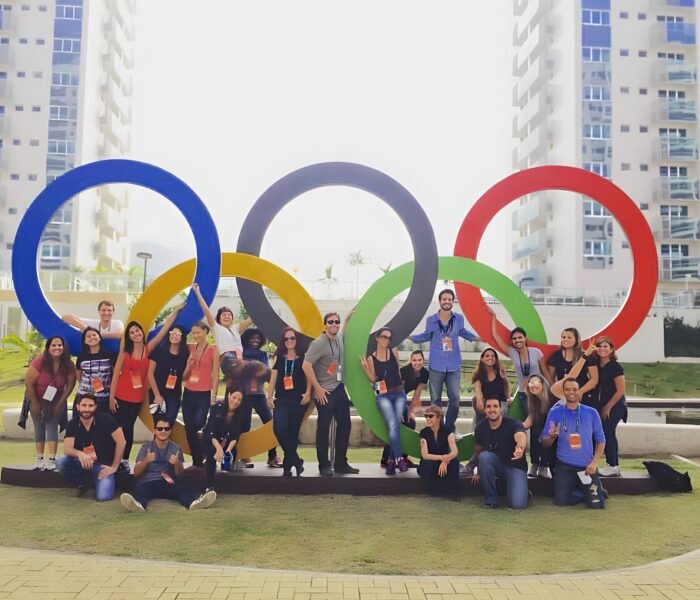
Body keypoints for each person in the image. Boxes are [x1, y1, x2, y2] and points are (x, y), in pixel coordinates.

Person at [109, 306, 183, 473]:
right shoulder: (124, 352)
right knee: (116, 429)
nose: (136, 334)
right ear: (129, 337)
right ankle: (113, 459)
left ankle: (125, 460)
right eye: (132, 333)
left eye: (137, 331)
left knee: (128, 429)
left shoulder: (148, 348)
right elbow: (115, 376)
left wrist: (176, 311)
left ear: (142, 332)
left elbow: (164, 329)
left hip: (135, 399)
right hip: (119, 396)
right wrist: (111, 397)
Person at [411, 289, 478, 435]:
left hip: (453, 365)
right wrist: (411, 337)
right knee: (435, 400)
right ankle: (438, 429)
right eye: (444, 299)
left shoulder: (458, 318)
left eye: (449, 299)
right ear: (439, 301)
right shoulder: (431, 320)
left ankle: (449, 427)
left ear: (452, 301)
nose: (447, 302)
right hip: (436, 365)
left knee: (455, 399)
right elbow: (426, 335)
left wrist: (478, 339)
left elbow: (463, 332)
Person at [119, 416, 217, 512]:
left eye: (166, 429)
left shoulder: (175, 448)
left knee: (182, 490)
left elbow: (179, 474)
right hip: (148, 482)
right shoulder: (146, 447)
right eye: (160, 429)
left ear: (170, 431)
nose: (163, 431)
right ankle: (138, 505)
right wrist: (146, 460)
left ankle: (192, 503)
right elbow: (136, 473)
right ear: (154, 430)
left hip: (167, 483)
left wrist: (177, 463)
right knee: (140, 491)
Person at [302, 312, 359, 476]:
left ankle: (341, 463)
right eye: (330, 322)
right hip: (324, 392)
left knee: (346, 425)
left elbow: (345, 328)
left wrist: (348, 316)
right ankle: (323, 465)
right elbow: (306, 366)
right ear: (325, 324)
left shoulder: (339, 338)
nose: (334, 324)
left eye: (337, 322)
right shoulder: (318, 343)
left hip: (339, 389)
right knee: (323, 428)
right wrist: (317, 388)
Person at [543, 378, 607, 509]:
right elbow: (545, 443)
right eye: (567, 389)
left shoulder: (591, 412)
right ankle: (585, 491)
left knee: (596, 505)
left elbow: (601, 440)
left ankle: (597, 492)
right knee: (561, 501)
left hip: (586, 466)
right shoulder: (555, 412)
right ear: (563, 392)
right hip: (565, 465)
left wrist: (594, 463)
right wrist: (551, 437)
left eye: (574, 389)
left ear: (579, 391)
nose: (571, 392)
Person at [57, 393, 126, 501]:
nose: (87, 409)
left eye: (90, 406)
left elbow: (121, 441)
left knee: (104, 497)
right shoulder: (72, 424)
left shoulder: (106, 419)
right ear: (77, 407)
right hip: (84, 463)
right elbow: (67, 449)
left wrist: (114, 466)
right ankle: (81, 484)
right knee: (61, 461)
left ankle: (96, 483)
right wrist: (80, 454)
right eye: (84, 405)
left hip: (104, 466)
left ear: (95, 407)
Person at [359, 327, 408, 475]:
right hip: (383, 396)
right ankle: (399, 457)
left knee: (395, 425)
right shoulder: (371, 358)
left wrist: (403, 389)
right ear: (377, 338)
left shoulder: (393, 352)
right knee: (393, 424)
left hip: (398, 393)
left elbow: (398, 371)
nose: (386, 340)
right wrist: (365, 368)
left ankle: (391, 461)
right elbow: (374, 380)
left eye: (388, 338)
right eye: (383, 337)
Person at [24, 336, 77, 470]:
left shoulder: (68, 364)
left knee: (52, 427)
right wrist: (35, 404)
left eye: (59, 345)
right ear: (48, 347)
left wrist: (60, 403)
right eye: (54, 345)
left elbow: (70, 385)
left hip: (56, 400)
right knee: (39, 427)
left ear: (64, 348)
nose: (57, 348)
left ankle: (52, 459)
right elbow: (28, 383)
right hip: (36, 397)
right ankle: (39, 458)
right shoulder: (40, 361)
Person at [470, 397, 529, 509]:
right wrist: (476, 470)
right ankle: (491, 498)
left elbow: (520, 435)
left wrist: (520, 447)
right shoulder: (480, 428)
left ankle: (523, 491)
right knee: (485, 457)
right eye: (488, 407)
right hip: (496, 465)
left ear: (501, 409)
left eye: (495, 406)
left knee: (518, 504)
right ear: (485, 410)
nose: (492, 410)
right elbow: (478, 450)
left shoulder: (513, 423)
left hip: (514, 466)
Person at [489, 308, 548, 416]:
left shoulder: (536, 352)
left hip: (540, 391)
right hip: (524, 394)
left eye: (520, 337)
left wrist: (553, 388)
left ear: (525, 339)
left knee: (543, 419)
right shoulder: (512, 352)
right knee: (530, 420)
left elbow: (545, 372)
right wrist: (494, 317)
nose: (518, 340)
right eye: (514, 339)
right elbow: (495, 336)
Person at [268, 327, 311, 476]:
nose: (289, 341)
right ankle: (296, 460)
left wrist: (308, 393)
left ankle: (288, 466)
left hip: (298, 400)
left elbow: (309, 376)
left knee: (292, 432)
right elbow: (273, 377)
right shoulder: (279, 356)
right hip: (281, 399)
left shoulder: (304, 357)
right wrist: (269, 396)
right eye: (286, 339)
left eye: (292, 338)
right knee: (279, 428)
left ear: (296, 340)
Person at [380, 350, 428, 468]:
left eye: (419, 360)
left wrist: (409, 412)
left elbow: (416, 396)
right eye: (414, 360)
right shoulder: (405, 371)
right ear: (411, 361)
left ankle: (403, 456)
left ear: (423, 360)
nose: (417, 363)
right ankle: (386, 459)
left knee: (410, 422)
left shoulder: (425, 373)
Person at [192, 282, 251, 379]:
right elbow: (206, 310)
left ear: (232, 318)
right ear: (219, 318)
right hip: (227, 358)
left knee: (242, 382)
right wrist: (197, 292)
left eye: (229, 315)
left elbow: (253, 318)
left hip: (239, 359)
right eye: (223, 315)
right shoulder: (216, 328)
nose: (226, 317)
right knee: (250, 368)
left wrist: (259, 304)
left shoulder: (235, 328)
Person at [182, 320, 219, 471]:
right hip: (189, 391)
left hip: (204, 393)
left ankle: (206, 451)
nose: (195, 335)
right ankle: (197, 460)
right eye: (194, 333)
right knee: (189, 429)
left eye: (198, 332)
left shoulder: (213, 350)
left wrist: (214, 394)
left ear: (206, 332)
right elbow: (184, 377)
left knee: (198, 422)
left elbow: (215, 374)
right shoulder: (190, 348)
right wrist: (189, 365)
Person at [241, 327, 280, 468]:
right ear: (247, 338)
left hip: (259, 394)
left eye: (258, 338)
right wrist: (255, 366)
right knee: (243, 425)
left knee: (270, 424)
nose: (255, 340)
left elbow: (267, 373)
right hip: (244, 394)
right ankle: (243, 455)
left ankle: (272, 456)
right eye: (252, 338)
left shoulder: (263, 354)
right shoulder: (241, 352)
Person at [592, 336, 628, 477]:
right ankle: (610, 464)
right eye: (600, 346)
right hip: (603, 404)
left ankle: (613, 466)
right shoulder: (596, 365)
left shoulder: (615, 367)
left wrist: (608, 407)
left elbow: (620, 391)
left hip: (616, 404)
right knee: (605, 433)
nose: (602, 349)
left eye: (605, 346)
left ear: (611, 349)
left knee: (608, 432)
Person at [203, 390, 246, 491]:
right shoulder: (217, 408)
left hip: (227, 442)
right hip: (212, 440)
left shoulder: (240, 414)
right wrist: (218, 449)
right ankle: (209, 487)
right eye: (234, 397)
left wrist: (228, 451)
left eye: (239, 400)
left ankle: (226, 466)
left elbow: (235, 436)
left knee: (232, 453)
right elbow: (211, 430)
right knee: (212, 453)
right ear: (229, 396)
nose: (236, 401)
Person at [147, 324, 189, 426]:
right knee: (158, 425)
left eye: (177, 334)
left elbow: (184, 377)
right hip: (156, 394)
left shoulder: (185, 354)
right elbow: (150, 374)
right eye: (172, 333)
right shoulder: (159, 351)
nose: (174, 336)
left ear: (182, 337)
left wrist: (190, 364)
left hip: (174, 396)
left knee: (169, 425)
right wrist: (157, 395)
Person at [546, 327, 598, 406]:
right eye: (563, 337)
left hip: (582, 394)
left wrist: (581, 391)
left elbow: (594, 379)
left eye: (569, 337)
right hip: (562, 396)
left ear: (576, 340)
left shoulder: (586, 356)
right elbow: (551, 379)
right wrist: (558, 391)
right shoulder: (556, 356)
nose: (566, 339)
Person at [417, 405, 459, 496]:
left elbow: (455, 451)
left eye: (431, 416)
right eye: (426, 416)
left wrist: (445, 460)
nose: (427, 418)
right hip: (430, 463)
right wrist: (442, 458)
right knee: (427, 463)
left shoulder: (447, 431)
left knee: (454, 462)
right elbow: (425, 455)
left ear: (439, 418)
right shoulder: (423, 432)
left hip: (442, 463)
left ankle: (453, 492)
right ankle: (432, 491)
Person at [75, 327, 116, 413]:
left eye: (94, 335)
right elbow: (79, 375)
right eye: (88, 336)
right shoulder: (82, 356)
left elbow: (115, 374)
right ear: (85, 341)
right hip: (84, 397)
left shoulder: (109, 355)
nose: (92, 337)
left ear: (99, 338)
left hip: (104, 398)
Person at [522, 374, 553, 478]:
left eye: (536, 382)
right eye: (531, 383)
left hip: (552, 425)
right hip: (538, 425)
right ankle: (534, 464)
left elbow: (554, 418)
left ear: (542, 384)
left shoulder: (551, 397)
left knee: (543, 435)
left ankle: (544, 465)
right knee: (534, 431)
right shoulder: (531, 399)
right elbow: (531, 416)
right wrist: (522, 426)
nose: (533, 386)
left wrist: (544, 431)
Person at [470, 348, 510, 430]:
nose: (490, 358)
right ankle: (479, 429)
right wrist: (479, 399)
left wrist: (508, 397)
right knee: (475, 400)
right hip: (488, 403)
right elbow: (478, 388)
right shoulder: (479, 374)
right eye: (487, 356)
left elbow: (506, 385)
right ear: (482, 358)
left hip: (501, 403)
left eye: (492, 356)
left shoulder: (500, 371)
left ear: (495, 359)